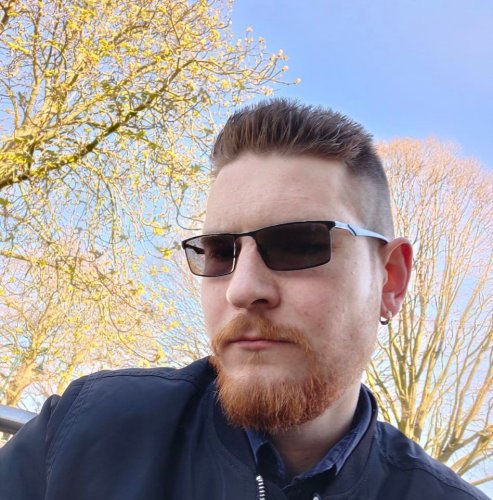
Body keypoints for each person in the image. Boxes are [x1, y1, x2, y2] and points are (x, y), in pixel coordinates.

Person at [0, 99, 488, 500]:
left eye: (298, 244)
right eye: (219, 252)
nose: (242, 288)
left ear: (390, 280)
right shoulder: (78, 435)